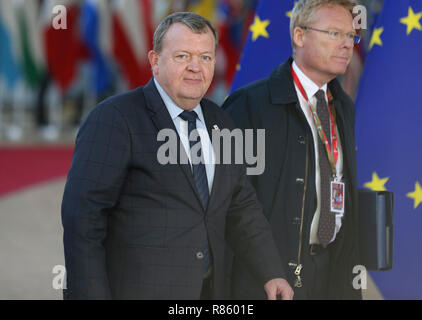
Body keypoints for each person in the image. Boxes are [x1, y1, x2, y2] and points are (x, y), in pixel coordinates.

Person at [61, 12, 293, 300]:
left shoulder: (222, 122)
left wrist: (271, 272)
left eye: (206, 57)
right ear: (155, 61)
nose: (196, 67)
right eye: (183, 56)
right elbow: (83, 220)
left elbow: (240, 206)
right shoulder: (114, 119)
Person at [223, 0, 362, 299]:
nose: (346, 45)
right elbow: (228, 203)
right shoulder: (248, 105)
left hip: (331, 271)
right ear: (299, 36)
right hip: (265, 278)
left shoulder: (344, 108)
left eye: (351, 36)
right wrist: (266, 271)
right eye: (334, 34)